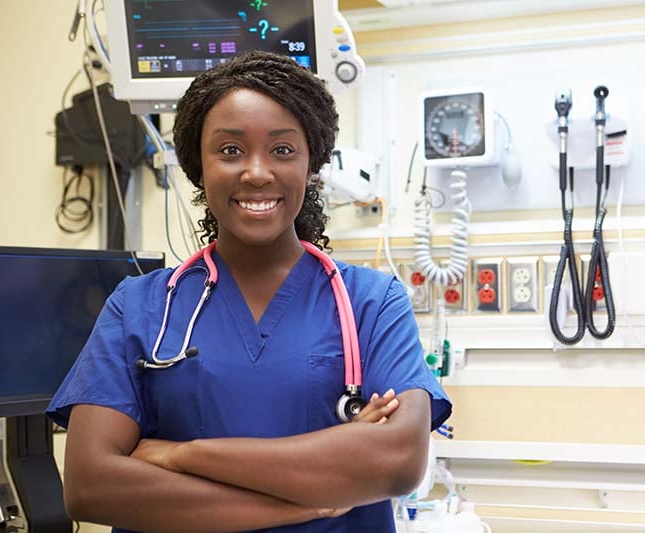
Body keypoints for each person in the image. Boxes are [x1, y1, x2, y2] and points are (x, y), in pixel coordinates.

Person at [46, 50, 451, 532]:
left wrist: (180, 454)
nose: (256, 172)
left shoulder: (370, 302)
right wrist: (305, 501)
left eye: (282, 150)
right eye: (231, 150)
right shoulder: (140, 306)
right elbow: (91, 486)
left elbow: (400, 460)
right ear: (199, 164)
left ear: (310, 163)